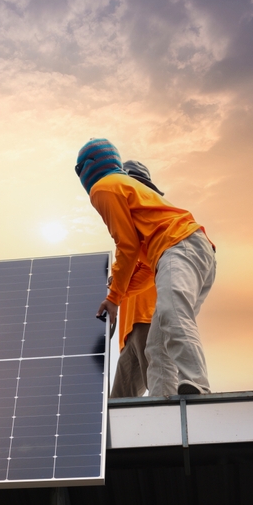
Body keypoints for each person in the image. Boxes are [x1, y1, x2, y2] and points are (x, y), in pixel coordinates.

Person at [77, 139, 215, 396]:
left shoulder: (103, 188)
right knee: (157, 346)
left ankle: (198, 387)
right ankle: (166, 408)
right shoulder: (134, 201)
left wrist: (115, 296)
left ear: (84, 169)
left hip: (179, 246)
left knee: (173, 315)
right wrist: (117, 297)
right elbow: (146, 270)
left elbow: (126, 245)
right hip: (189, 251)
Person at [108, 160, 161, 398]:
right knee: (119, 406)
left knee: (163, 390)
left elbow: (151, 268)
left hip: (148, 318)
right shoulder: (128, 229)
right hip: (129, 332)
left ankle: (174, 434)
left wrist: (117, 292)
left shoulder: (150, 222)